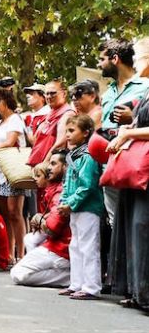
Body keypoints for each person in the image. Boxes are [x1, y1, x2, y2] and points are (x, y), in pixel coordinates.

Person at [107, 64, 149, 311]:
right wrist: (126, 129)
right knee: (133, 227)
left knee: (142, 226)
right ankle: (136, 291)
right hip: (137, 169)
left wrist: (127, 136)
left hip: (144, 169)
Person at [97, 39, 149, 227]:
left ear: (115, 59)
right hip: (109, 162)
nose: (99, 64)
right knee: (114, 222)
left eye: (101, 59)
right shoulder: (107, 92)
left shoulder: (145, 85)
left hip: (134, 163)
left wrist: (132, 117)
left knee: (137, 220)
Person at [58, 115, 105, 300]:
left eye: (72, 131)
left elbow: (87, 185)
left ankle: (91, 286)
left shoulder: (88, 156)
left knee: (88, 246)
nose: (67, 135)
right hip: (75, 208)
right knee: (75, 245)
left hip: (87, 207)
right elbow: (68, 182)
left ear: (86, 133)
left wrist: (71, 203)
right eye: (66, 131)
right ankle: (76, 283)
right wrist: (64, 201)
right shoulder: (74, 155)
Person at [11, 149, 71, 287]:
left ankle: (71, 277)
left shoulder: (59, 192)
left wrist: (40, 219)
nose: (49, 167)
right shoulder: (51, 190)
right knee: (29, 240)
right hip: (56, 246)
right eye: (49, 163)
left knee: (18, 274)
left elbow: (52, 227)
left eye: (53, 163)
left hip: (60, 249)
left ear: (65, 167)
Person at [0, 88, 27, 262]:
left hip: (14, 170)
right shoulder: (0, 123)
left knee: (14, 212)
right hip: (0, 172)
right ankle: (9, 254)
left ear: (6, 101)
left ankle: (21, 254)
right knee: (6, 214)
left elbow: (10, 142)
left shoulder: (15, 119)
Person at [28, 79, 74, 168]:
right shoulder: (48, 114)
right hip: (39, 168)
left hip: (50, 168)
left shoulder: (67, 114)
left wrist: (44, 165)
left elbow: (60, 143)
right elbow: (36, 140)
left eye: (53, 93)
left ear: (64, 94)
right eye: (47, 93)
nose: (49, 96)